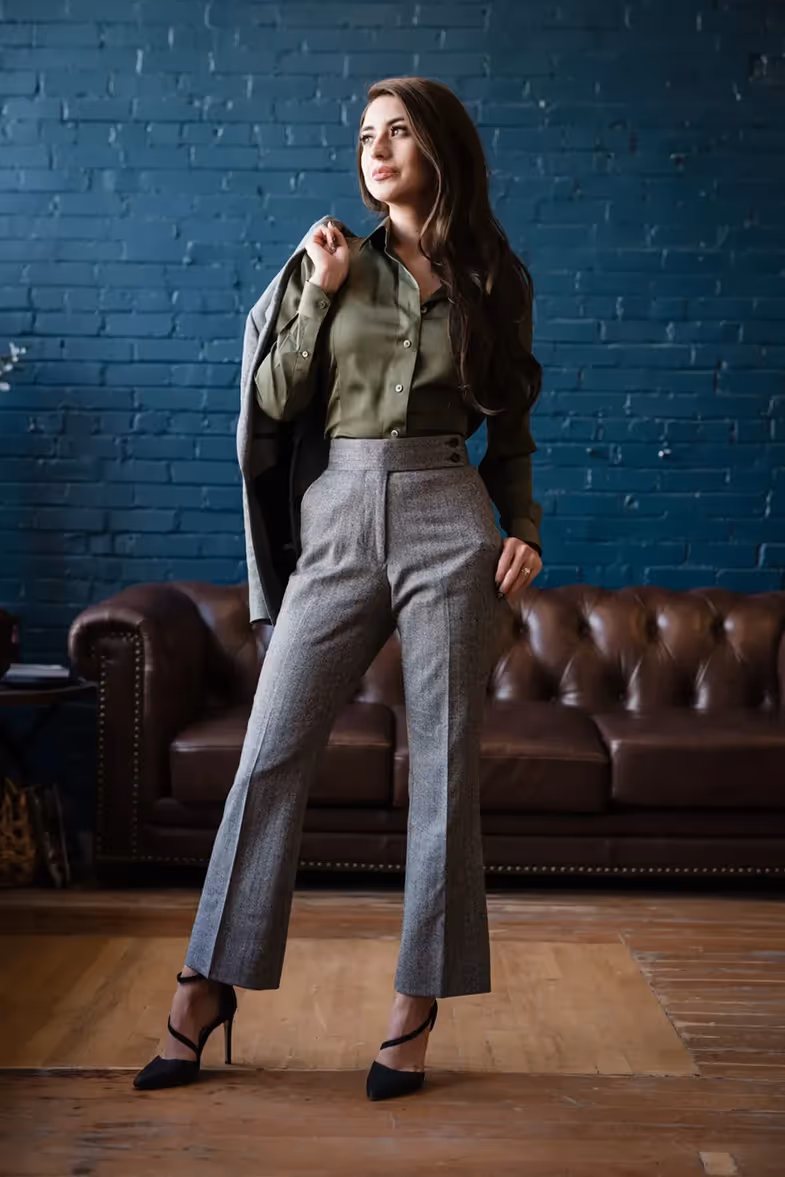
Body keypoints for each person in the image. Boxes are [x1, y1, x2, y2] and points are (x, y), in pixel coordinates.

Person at [133, 76, 543, 1100]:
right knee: (270, 751)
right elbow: (272, 400)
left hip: (451, 512)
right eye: (365, 135)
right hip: (340, 517)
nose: (376, 148)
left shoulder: (496, 278)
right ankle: (205, 982)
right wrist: (314, 299)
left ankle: (414, 1008)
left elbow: (513, 430)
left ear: (440, 146)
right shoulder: (330, 262)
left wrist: (523, 531)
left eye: (397, 131)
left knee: (443, 769)